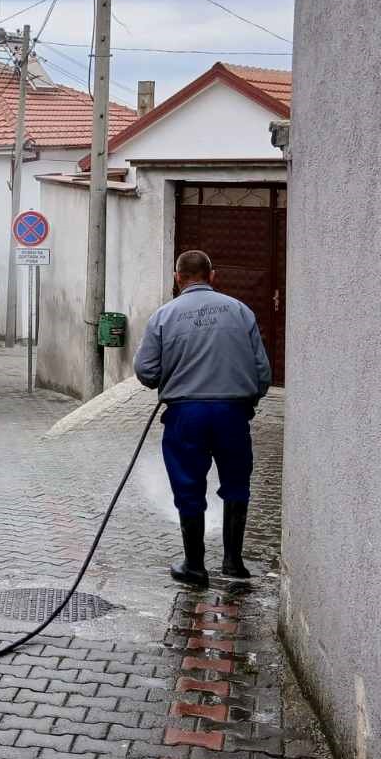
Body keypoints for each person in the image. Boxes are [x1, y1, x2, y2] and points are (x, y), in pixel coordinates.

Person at [133, 250, 273, 586]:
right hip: (232, 413)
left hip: (186, 415)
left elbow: (145, 370)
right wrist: (248, 398)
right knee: (237, 483)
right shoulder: (240, 311)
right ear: (212, 276)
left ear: (178, 278)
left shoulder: (163, 316)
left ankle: (195, 566)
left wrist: (172, 375)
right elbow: (263, 372)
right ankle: (233, 563)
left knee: (188, 485)